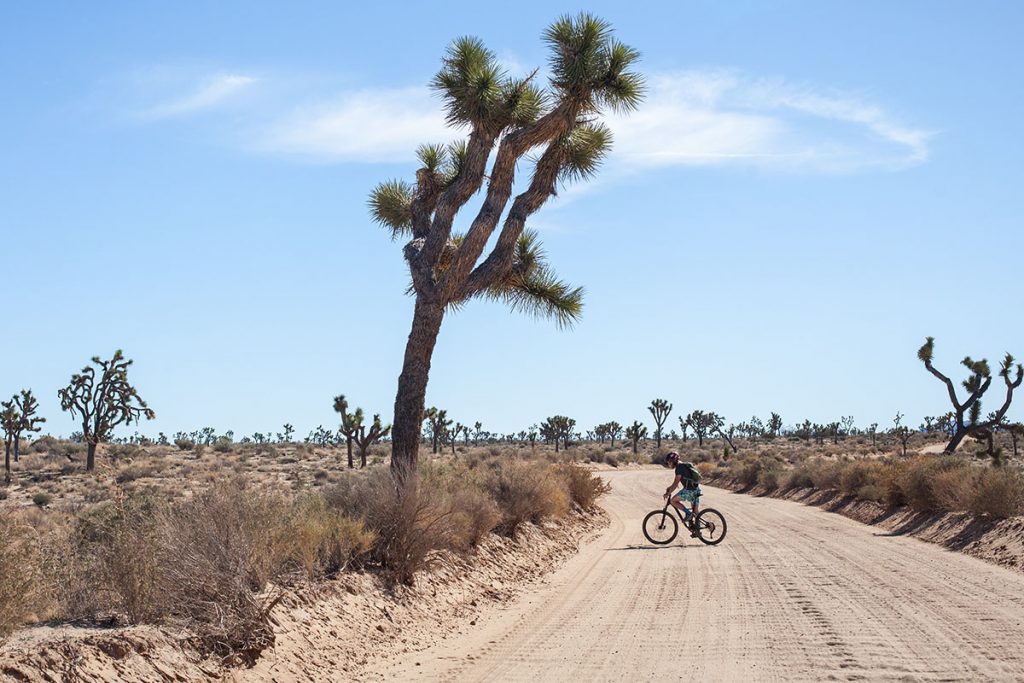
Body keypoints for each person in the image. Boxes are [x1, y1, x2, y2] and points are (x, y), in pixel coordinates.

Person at [662, 451, 701, 536]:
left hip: (689, 490)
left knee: (673, 501)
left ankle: (688, 513)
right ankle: (698, 531)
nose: (669, 464)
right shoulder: (683, 465)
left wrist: (668, 493)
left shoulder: (679, 468)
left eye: (669, 462)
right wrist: (670, 488)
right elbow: (676, 483)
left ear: (674, 461)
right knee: (696, 511)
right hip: (696, 489)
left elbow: (676, 483)